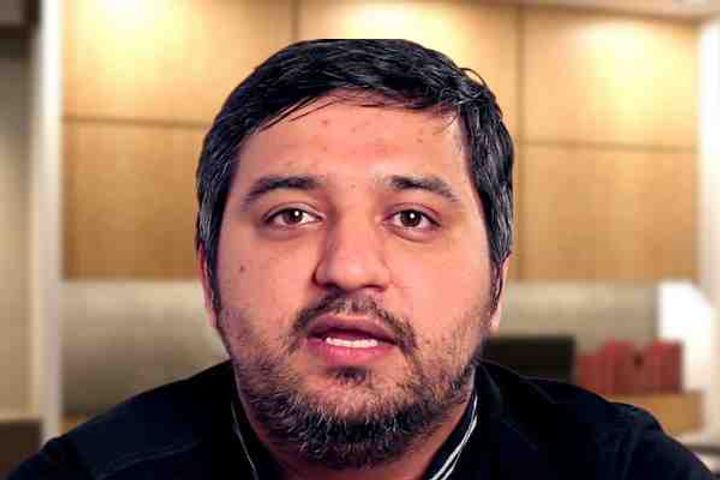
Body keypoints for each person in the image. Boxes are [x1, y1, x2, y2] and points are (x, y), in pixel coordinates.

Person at [10, 39, 714, 479]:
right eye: (292, 215)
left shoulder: (620, 467)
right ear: (208, 277)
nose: (348, 268)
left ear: (497, 283)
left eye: (412, 218)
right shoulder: (86, 475)